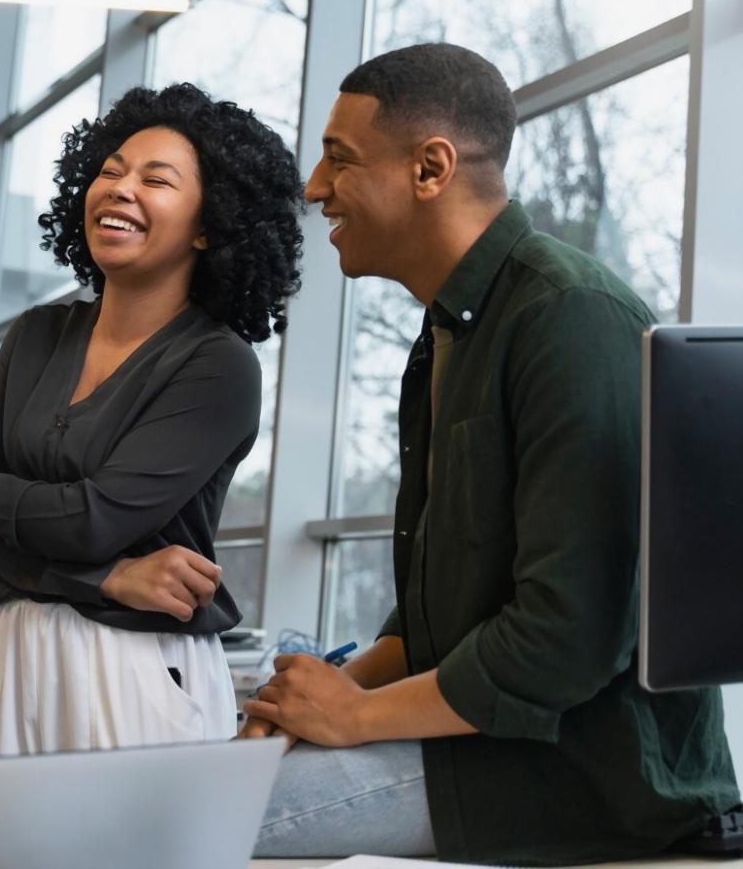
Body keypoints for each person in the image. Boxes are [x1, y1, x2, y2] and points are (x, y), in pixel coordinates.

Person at [242, 42, 740, 863]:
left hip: (576, 780)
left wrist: (356, 716)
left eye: (339, 159)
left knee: (179, 823)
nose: (313, 188)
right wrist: (319, 695)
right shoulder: (447, 335)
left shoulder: (567, 317)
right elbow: (442, 614)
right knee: (194, 792)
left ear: (429, 168)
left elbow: (564, 636)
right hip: (475, 752)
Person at [0, 82, 304, 756]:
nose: (120, 187)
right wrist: (107, 577)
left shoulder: (217, 365)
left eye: (156, 179)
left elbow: (93, 518)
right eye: (110, 170)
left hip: (137, 665)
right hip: (14, 651)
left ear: (209, 224)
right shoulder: (37, 333)